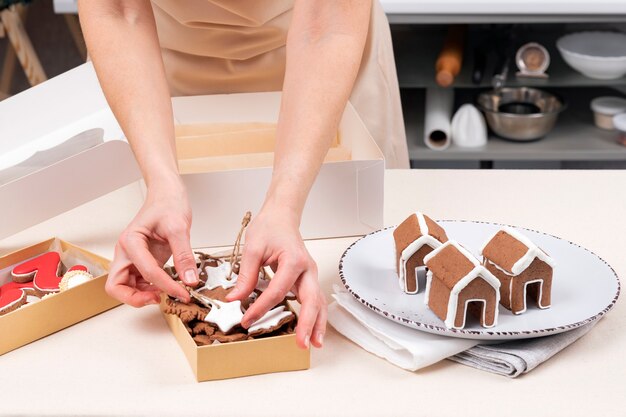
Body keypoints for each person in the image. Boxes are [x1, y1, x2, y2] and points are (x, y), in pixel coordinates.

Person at [78, 0, 408, 350]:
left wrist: (285, 205)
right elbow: (119, 10)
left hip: (326, 58)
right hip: (150, 62)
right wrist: (161, 183)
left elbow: (324, 24)